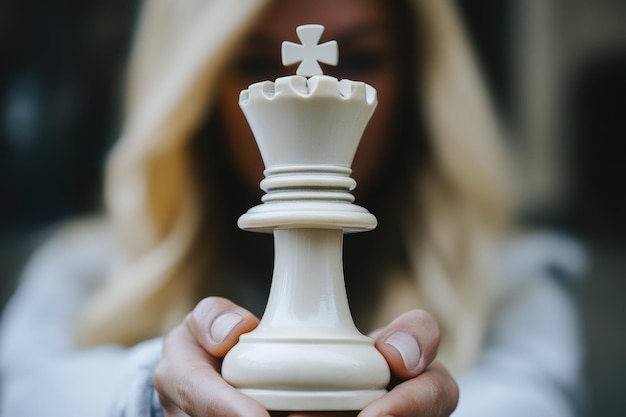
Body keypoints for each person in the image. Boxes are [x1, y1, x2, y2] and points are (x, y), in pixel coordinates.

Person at [0, 0, 587, 416]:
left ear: (416, 76)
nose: (314, 80)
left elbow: (529, 400)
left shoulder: (513, 278)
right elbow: (21, 393)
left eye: (359, 59)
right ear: (194, 85)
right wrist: (155, 392)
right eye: (255, 64)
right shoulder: (83, 268)